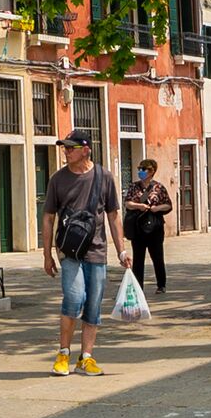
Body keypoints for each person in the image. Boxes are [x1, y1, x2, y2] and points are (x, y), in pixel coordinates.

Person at [45, 135, 124, 376]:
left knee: (93, 305)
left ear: (86, 150)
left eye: (71, 148)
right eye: (64, 148)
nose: (66, 152)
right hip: (69, 250)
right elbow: (48, 217)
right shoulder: (58, 180)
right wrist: (47, 254)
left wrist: (122, 250)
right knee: (74, 297)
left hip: (97, 250)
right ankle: (63, 354)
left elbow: (113, 216)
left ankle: (86, 358)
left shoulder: (104, 177)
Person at [123, 159, 174, 297]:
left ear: (151, 171)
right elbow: (127, 203)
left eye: (144, 169)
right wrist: (139, 206)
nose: (141, 171)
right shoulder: (134, 187)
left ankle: (161, 285)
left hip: (155, 227)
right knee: (138, 258)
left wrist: (156, 208)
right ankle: (138, 286)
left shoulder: (158, 188)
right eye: (139, 168)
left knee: (157, 256)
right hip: (138, 227)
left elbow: (168, 205)